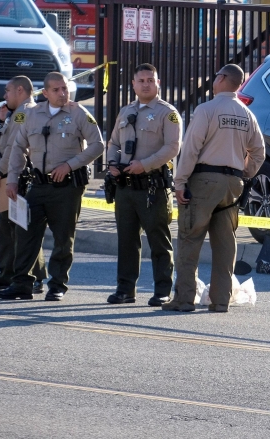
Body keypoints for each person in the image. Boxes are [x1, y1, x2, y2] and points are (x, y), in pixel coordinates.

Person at [161, 64, 264, 313]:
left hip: (204, 182)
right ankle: (220, 300)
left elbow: (191, 148)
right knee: (225, 244)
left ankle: (184, 299)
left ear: (221, 79)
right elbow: (259, 152)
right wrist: (243, 173)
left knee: (189, 238)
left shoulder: (206, 110)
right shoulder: (246, 114)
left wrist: (180, 182)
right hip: (233, 185)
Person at [0, 72, 104, 301]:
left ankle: (57, 285)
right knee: (25, 233)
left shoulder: (78, 113)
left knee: (63, 238)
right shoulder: (33, 115)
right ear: (45, 93)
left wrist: (70, 165)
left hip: (67, 187)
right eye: (56, 90)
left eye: (65, 88)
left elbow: (97, 145)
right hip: (38, 184)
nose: (62, 93)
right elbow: (18, 149)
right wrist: (12, 180)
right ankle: (22, 283)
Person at [105, 64, 182, 306]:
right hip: (125, 186)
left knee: (159, 240)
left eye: (151, 79)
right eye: (141, 80)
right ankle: (125, 289)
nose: (146, 84)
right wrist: (112, 162)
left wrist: (145, 164)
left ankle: (162, 290)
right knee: (127, 240)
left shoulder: (167, 113)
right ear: (134, 84)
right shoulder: (126, 110)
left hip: (152, 187)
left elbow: (172, 147)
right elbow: (114, 142)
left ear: (158, 83)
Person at [0, 76, 47, 294]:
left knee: (22, 229)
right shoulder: (19, 113)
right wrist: (4, 122)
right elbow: (6, 143)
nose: (4, 96)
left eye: (7, 91)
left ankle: (34, 277)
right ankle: (7, 275)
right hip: (13, 176)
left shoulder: (25, 112)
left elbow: (13, 149)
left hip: (19, 176)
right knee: (9, 228)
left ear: (20, 90)